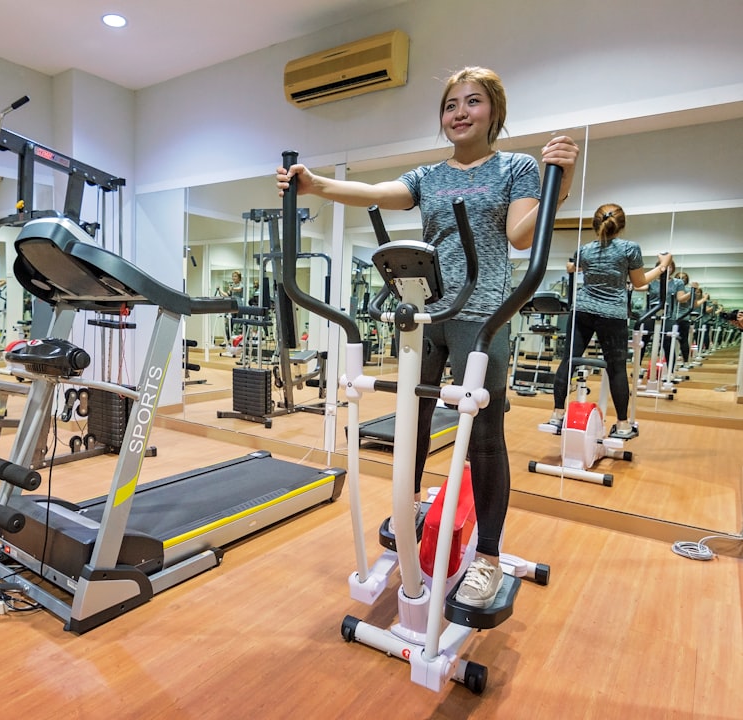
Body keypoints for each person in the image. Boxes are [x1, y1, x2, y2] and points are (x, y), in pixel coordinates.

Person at [276, 66, 579, 608]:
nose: (460, 112)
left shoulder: (517, 167)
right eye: (450, 105)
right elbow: (375, 191)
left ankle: (487, 555)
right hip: (425, 312)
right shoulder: (428, 177)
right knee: (412, 418)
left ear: (494, 112)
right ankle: (409, 504)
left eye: (473, 101)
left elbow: (517, 234)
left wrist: (560, 186)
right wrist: (315, 184)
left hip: (484, 313)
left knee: (484, 432)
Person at [546, 204, 673, 440]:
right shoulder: (630, 249)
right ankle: (623, 425)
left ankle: (556, 414)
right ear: (621, 225)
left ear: (596, 224)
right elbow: (639, 282)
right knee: (616, 369)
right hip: (612, 314)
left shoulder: (584, 249)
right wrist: (662, 266)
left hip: (582, 310)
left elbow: (579, 268)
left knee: (568, 360)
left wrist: (572, 267)